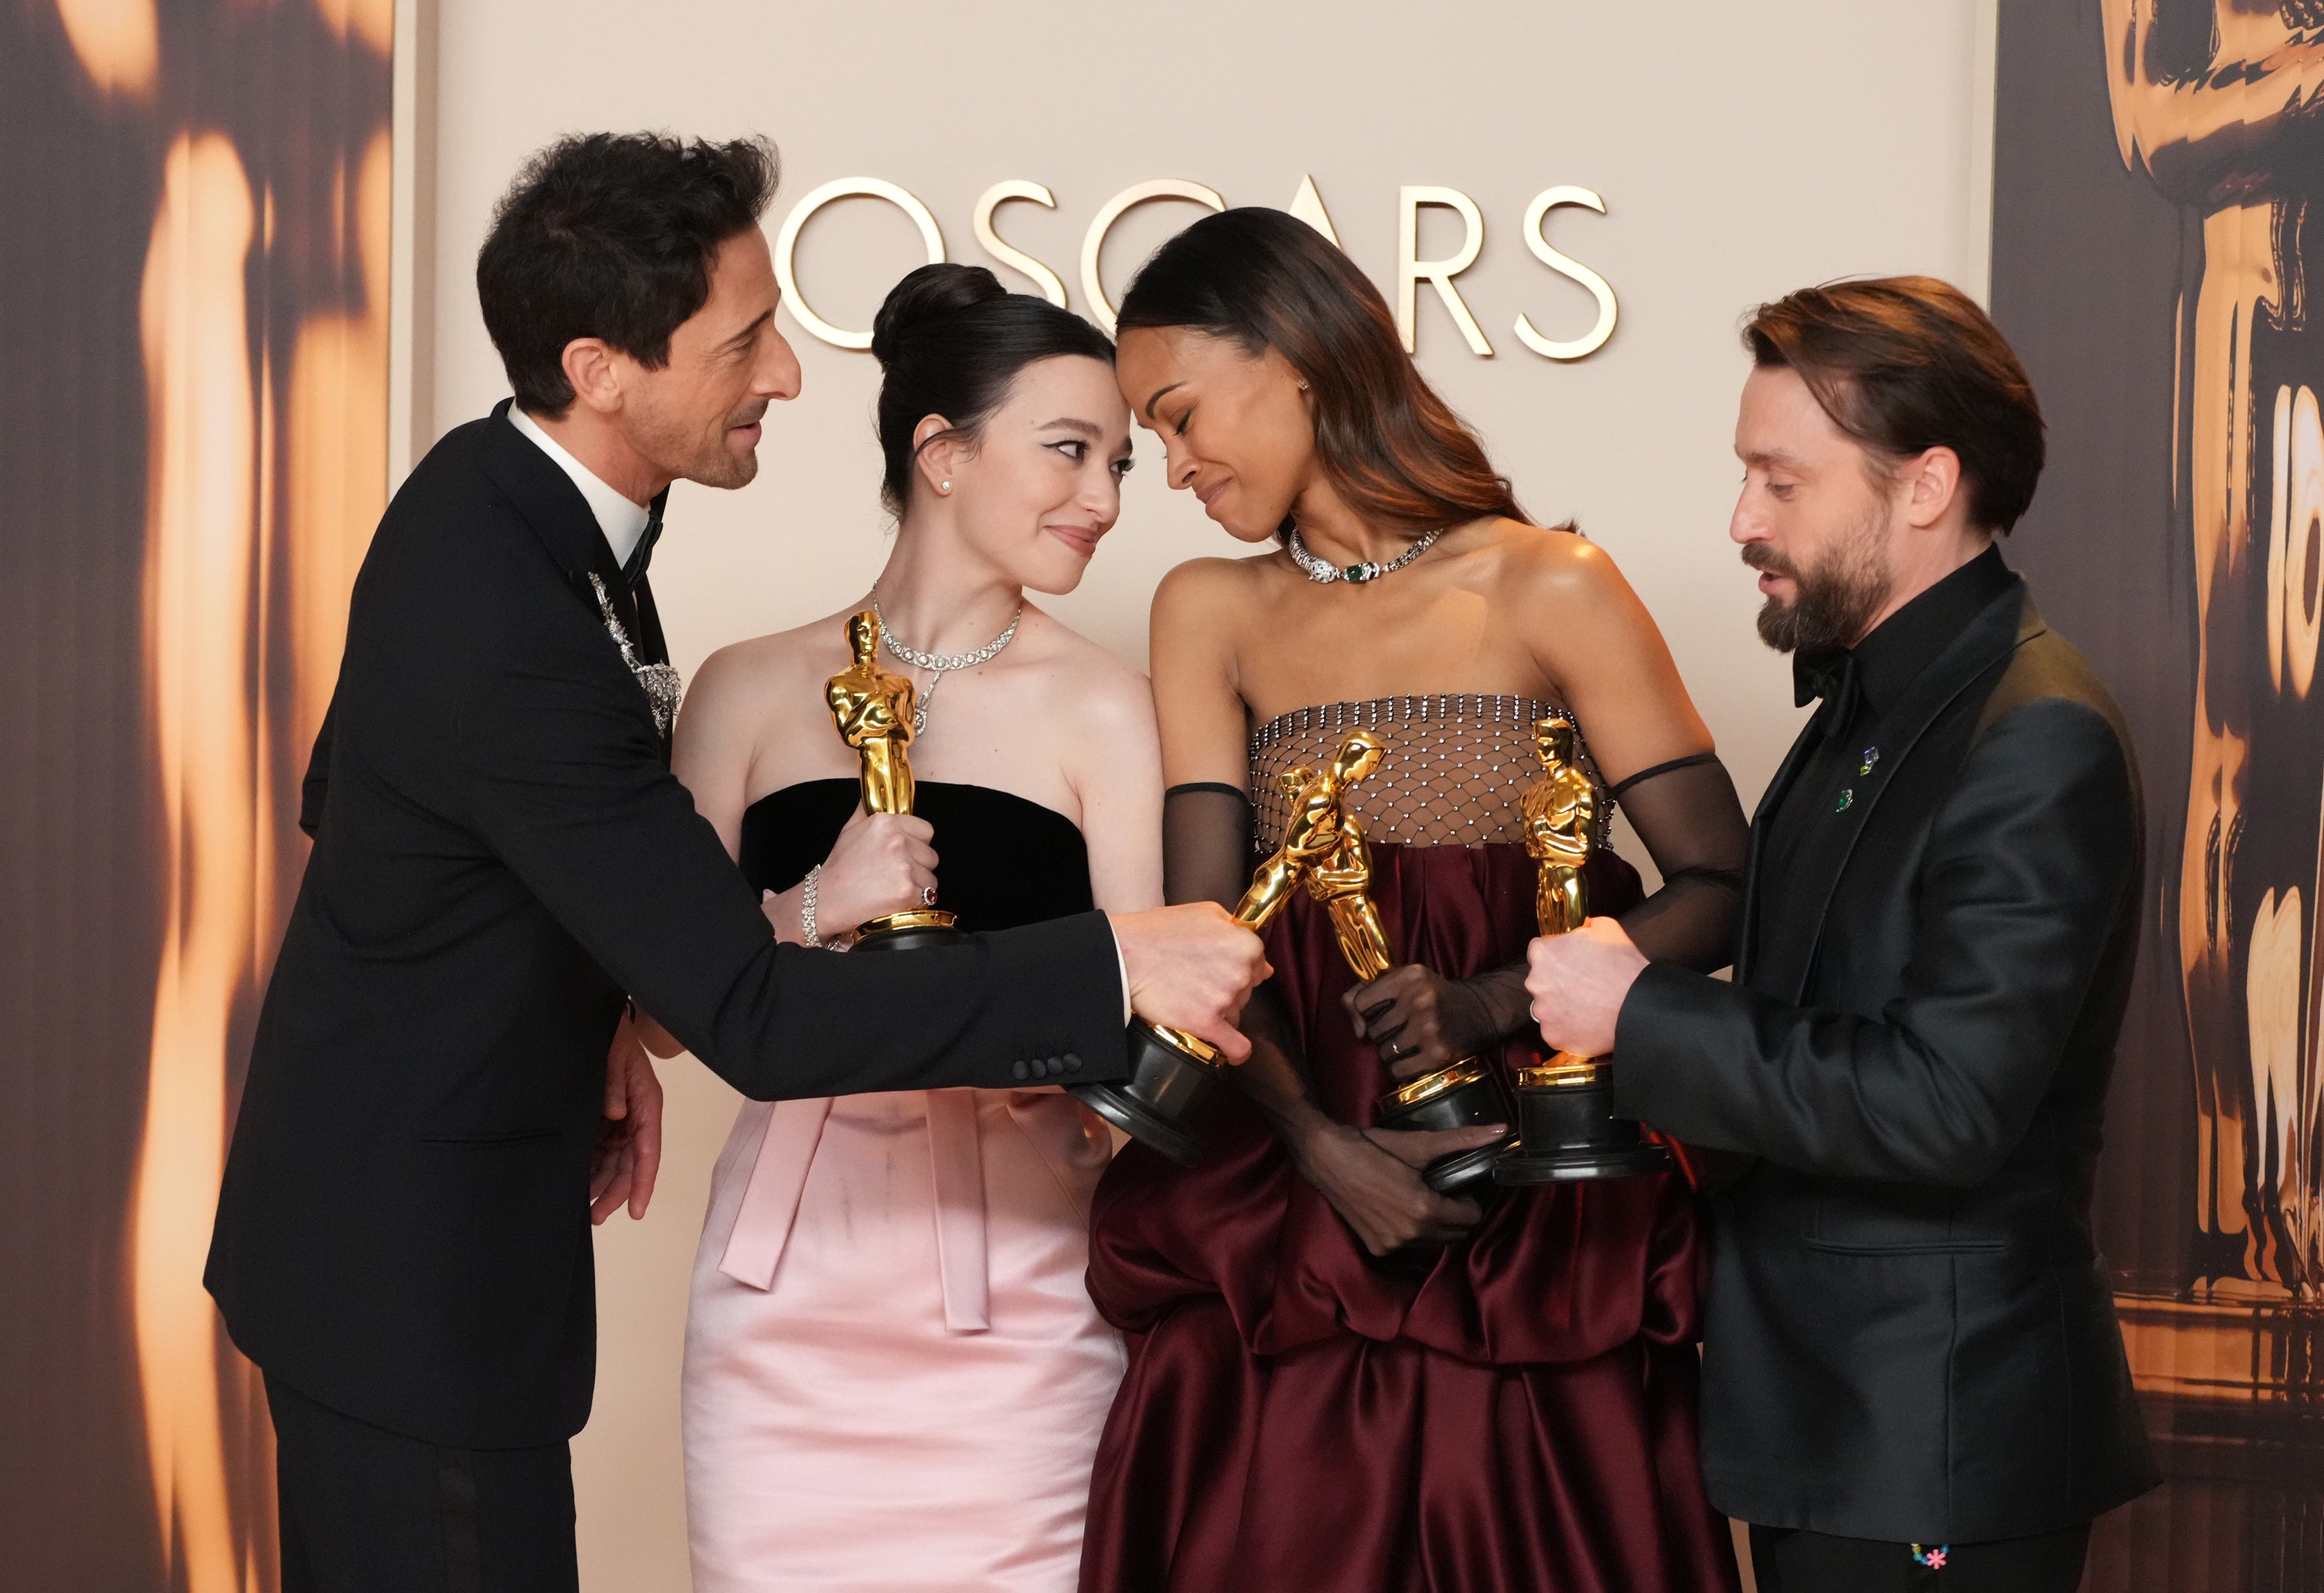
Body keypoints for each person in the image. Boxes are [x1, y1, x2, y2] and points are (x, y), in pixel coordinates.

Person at [202, 135, 1264, 1593]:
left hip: (453, 1238)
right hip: (408, 1265)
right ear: (600, 369)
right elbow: (756, 1017)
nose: (787, 373)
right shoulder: (508, 601)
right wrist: (1112, 963)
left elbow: (353, 790)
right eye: (743, 339)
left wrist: (596, 1012)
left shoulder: (510, 504)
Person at [1080, 206, 1749, 1593]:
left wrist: (1496, 999)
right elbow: (1204, 949)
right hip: (1292, 1191)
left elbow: (1721, 886)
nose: (1174, 467)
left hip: (1531, 1190)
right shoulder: (1206, 608)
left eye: (1182, 415)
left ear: (1297, 356)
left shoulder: (1551, 582)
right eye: (1152, 436)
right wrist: (1320, 1147)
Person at [1525, 277, 2161, 1593]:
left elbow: (1944, 1103)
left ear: (1925, 486)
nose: (1743, 519)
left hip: (1935, 1437)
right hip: (1838, 1422)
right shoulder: (1864, 712)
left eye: (1782, 481)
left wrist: (1638, 1011)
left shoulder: (2035, 732)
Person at [667, 263, 1153, 1593]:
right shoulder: (746, 688)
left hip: (1022, 1284)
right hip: (782, 1290)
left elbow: (1143, 1000)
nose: (1105, 498)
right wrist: (816, 904)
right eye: (1070, 450)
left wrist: (1080, 1083)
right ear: (942, 452)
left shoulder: (1108, 707)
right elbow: (658, 1010)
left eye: (1120, 463)